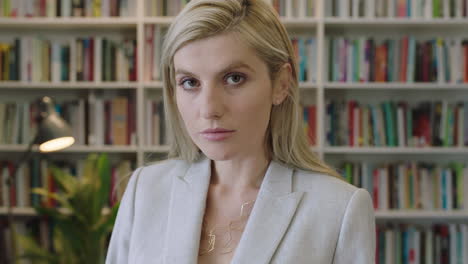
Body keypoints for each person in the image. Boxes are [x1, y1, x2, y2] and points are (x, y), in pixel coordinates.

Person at [105, 0, 376, 263]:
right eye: (190, 82)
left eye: (234, 78)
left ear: (281, 84)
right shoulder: (145, 190)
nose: (209, 108)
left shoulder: (339, 209)